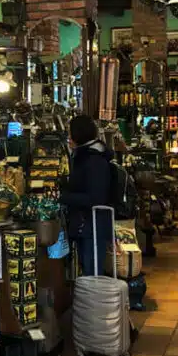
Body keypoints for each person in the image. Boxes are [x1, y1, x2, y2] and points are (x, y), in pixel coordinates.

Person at [60, 114, 114, 276]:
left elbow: (95, 198)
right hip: (87, 224)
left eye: (70, 133)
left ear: (79, 134)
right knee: (88, 268)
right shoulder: (85, 156)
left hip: (92, 226)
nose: (69, 138)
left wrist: (64, 197)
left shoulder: (93, 160)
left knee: (92, 271)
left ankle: (93, 301)